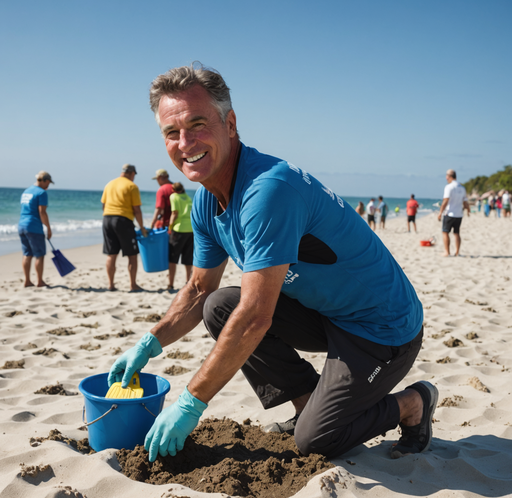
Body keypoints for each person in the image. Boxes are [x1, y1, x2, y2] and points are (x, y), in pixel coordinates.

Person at [108, 63, 436, 464]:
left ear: (230, 123)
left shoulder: (267, 191)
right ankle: (306, 407)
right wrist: (149, 342)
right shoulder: (206, 203)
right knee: (219, 306)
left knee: (316, 440)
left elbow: (254, 319)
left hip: (382, 328)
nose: (185, 141)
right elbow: (197, 291)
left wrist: (190, 404)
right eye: (171, 133)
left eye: (197, 124)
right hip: (326, 313)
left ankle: (412, 404)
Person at [101, 164, 147, 291]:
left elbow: (103, 205)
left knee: (111, 254)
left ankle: (111, 285)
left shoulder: (109, 184)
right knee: (132, 255)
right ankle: (133, 285)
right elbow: (137, 210)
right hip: (123, 220)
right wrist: (142, 227)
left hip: (107, 219)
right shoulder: (131, 186)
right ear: (132, 173)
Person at [18, 171, 54, 287]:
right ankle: (39, 281)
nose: (48, 186)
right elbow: (42, 212)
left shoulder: (26, 191)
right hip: (33, 227)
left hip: (22, 225)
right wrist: (48, 228)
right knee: (39, 254)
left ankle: (27, 281)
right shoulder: (41, 193)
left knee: (27, 254)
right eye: (48, 183)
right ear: (44, 180)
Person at [167, 182, 194, 290]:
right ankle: (188, 282)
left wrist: (170, 227)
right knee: (188, 258)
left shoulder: (173, 196)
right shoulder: (187, 197)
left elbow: (174, 213)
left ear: (173, 189)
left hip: (178, 229)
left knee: (173, 258)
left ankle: (171, 284)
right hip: (190, 229)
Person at [437, 169, 470, 257]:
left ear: (449, 176)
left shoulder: (449, 187)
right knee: (456, 233)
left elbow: (445, 201)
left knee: (445, 232)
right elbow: (465, 202)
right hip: (459, 214)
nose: (446, 178)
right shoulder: (462, 188)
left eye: (446, 176)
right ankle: (457, 252)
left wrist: (440, 212)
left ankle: (447, 252)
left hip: (449, 214)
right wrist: (468, 210)